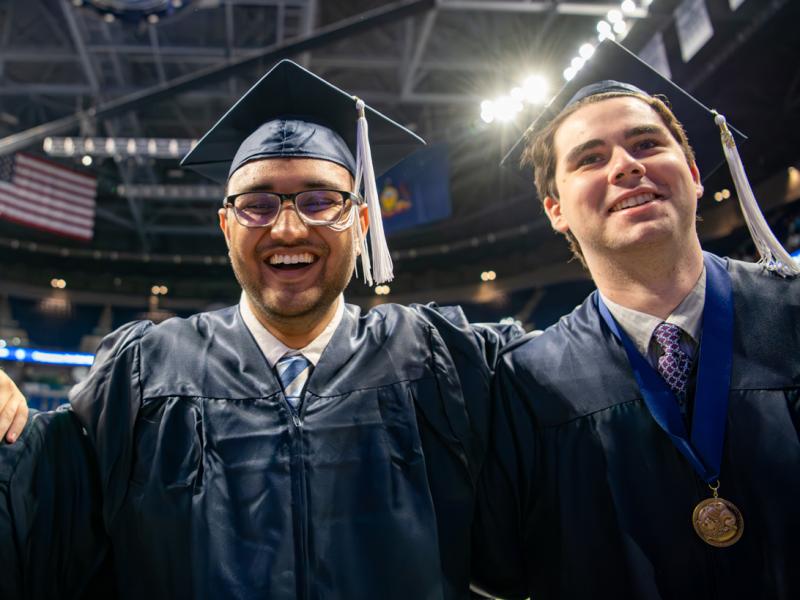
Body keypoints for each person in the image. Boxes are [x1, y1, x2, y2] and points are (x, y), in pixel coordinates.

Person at [0, 60, 521, 599]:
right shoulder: (144, 373)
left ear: (361, 222)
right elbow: (37, 499)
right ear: (226, 226)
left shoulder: (439, 360)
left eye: (321, 200)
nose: (288, 227)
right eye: (256, 205)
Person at [472, 40, 800, 599]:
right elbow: (505, 567)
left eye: (646, 143)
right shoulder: (528, 384)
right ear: (556, 210)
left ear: (694, 173)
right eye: (590, 158)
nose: (626, 165)